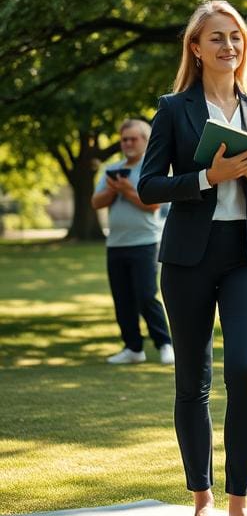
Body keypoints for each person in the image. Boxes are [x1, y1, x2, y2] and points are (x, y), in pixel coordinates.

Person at [138, 0, 247, 516]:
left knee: (246, 375)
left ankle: (239, 506)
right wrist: (209, 176)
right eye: (216, 37)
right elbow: (150, 186)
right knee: (193, 381)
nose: (228, 46)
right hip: (186, 257)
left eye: (235, 37)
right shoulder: (173, 108)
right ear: (195, 47)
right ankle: (201, 502)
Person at [91, 119, 174, 366]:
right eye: (123, 139)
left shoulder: (152, 169)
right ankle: (133, 348)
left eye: (132, 139)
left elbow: (153, 206)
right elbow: (96, 203)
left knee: (146, 295)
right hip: (115, 244)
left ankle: (165, 344)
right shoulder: (112, 169)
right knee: (122, 299)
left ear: (146, 141)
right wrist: (114, 189)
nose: (127, 143)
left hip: (145, 243)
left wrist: (126, 190)